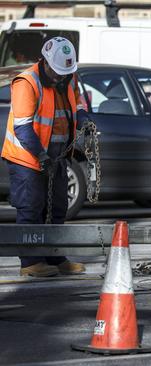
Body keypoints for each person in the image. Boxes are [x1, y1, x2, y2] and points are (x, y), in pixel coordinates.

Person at [1, 37, 88, 277]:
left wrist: (84, 120)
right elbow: (23, 127)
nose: (61, 78)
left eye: (64, 73)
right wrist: (40, 156)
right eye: (57, 73)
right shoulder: (27, 83)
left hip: (58, 155)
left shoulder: (69, 77)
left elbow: (77, 104)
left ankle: (55, 256)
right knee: (31, 209)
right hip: (28, 158)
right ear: (45, 62)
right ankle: (30, 262)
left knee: (57, 208)